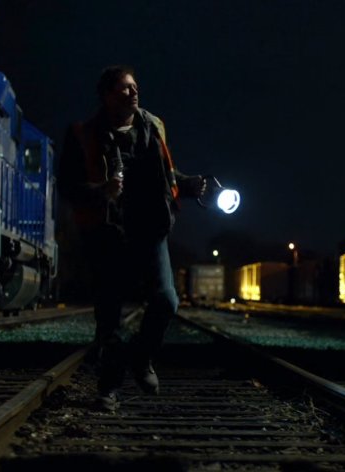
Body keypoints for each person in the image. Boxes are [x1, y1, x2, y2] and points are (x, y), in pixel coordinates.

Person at [58, 65, 205, 411]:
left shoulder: (152, 127)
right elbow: (68, 186)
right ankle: (108, 389)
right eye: (124, 88)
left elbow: (166, 174)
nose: (133, 93)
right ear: (107, 95)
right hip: (107, 233)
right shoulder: (82, 134)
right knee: (109, 317)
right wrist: (102, 191)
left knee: (166, 300)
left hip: (150, 229)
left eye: (135, 87)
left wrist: (188, 184)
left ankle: (141, 358)